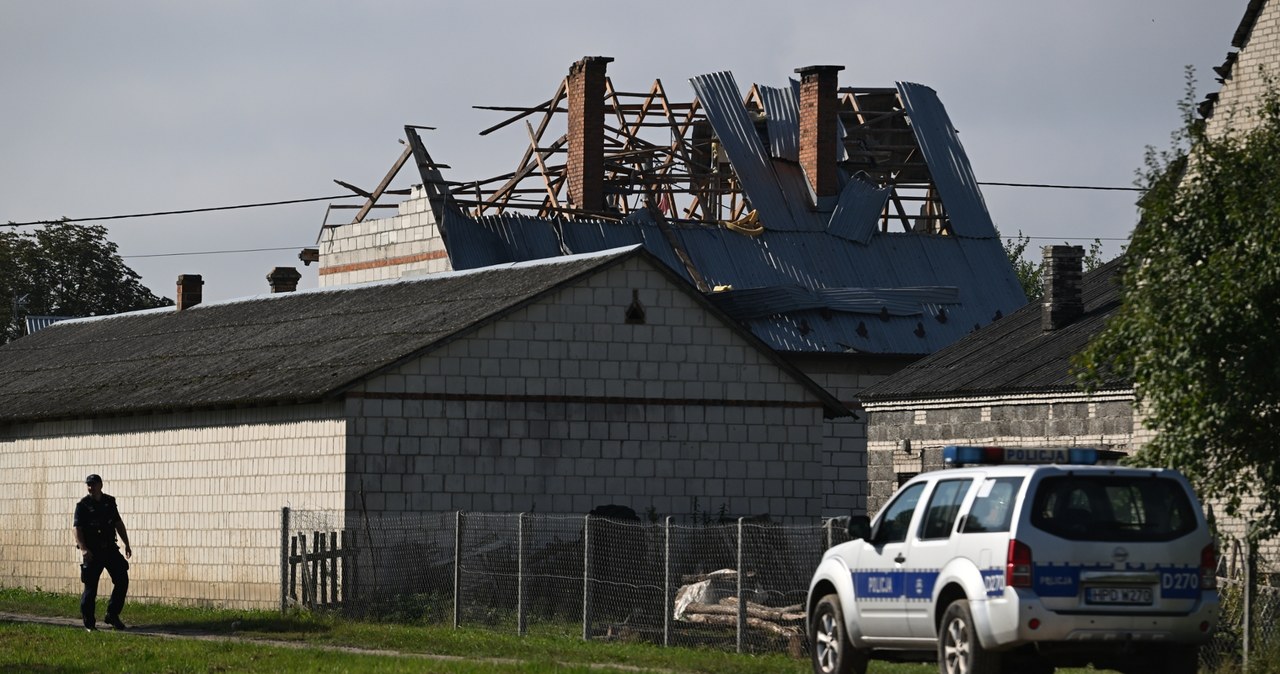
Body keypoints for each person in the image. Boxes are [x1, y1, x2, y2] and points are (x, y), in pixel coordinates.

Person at [74, 473, 132, 631]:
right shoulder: (83, 505)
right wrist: (84, 549)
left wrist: (126, 544)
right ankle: (89, 624)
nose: (91, 487)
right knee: (90, 588)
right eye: (88, 485)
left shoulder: (109, 502)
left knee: (122, 579)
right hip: (92, 552)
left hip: (110, 549)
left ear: (101, 485)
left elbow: (118, 523)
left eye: (93, 484)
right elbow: (77, 529)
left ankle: (112, 615)